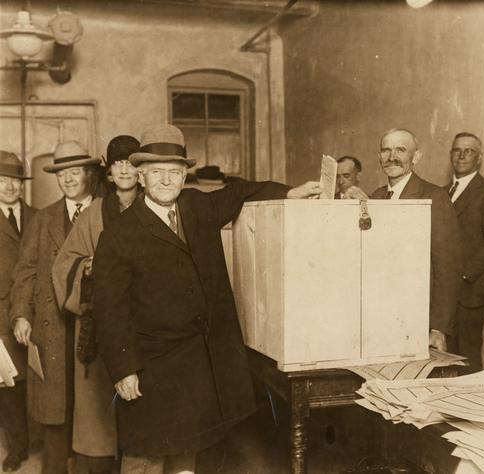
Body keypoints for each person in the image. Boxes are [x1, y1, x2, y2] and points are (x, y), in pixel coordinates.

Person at [92, 124, 320, 473]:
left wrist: (292, 192)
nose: (166, 181)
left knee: (189, 451)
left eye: (174, 172)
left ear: (185, 176)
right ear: (141, 176)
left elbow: (244, 192)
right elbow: (109, 311)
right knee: (146, 455)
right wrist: (124, 370)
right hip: (152, 367)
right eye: (157, 172)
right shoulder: (120, 234)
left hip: (196, 364)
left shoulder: (198, 206)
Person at [51, 135, 141, 474]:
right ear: (107, 171)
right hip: (98, 323)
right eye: (117, 163)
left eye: (132, 162)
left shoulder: (153, 207)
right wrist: (87, 267)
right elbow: (63, 265)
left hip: (143, 324)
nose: (124, 170)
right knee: (99, 415)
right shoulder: (93, 214)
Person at [11, 141, 101, 474]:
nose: (68, 180)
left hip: (92, 326)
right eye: (62, 174)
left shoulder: (105, 213)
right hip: (52, 327)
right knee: (55, 407)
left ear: (88, 175)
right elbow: (26, 271)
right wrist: (20, 314)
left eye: (74, 172)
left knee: (93, 408)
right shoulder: (43, 218)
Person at [348, 128, 461, 351]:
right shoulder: (376, 196)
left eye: (400, 150)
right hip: (380, 318)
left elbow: (448, 268)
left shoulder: (435, 197)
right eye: (386, 150)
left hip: (419, 319)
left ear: (415, 157)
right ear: (378, 157)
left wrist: (439, 328)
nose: (392, 157)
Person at [445, 133, 484, 373]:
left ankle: (468, 408)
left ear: (479, 158)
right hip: (446, 292)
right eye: (456, 150)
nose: (461, 155)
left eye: (468, 151)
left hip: (471, 291)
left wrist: (461, 275)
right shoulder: (442, 193)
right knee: (444, 355)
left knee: (466, 355)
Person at [0, 151, 36, 472]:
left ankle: (38, 441)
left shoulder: (39, 216)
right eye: (2, 181)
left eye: (14, 180)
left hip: (38, 312)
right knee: (11, 384)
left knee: (40, 378)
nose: (9, 187)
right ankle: (17, 448)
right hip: (1, 314)